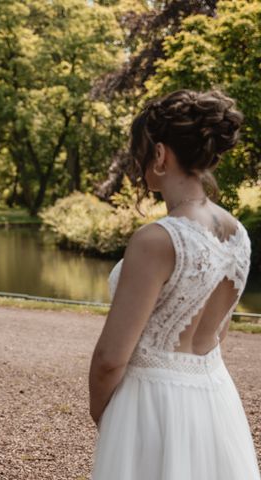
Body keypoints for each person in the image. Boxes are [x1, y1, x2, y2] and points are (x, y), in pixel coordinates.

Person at [89, 89, 260, 479]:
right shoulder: (237, 234)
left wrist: (106, 415)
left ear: (161, 154)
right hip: (215, 399)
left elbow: (110, 359)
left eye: (141, 151)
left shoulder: (156, 240)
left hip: (151, 405)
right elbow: (219, 334)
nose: (137, 162)